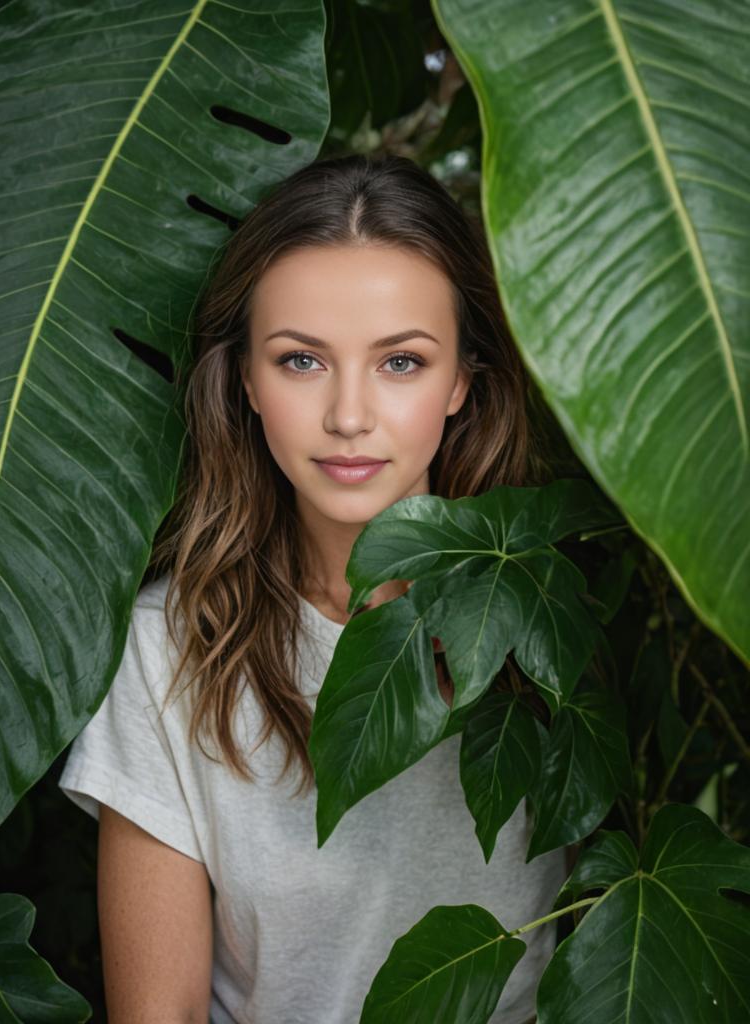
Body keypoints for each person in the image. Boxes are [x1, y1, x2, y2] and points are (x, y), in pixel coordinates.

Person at [58, 153, 566, 1024]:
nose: (349, 415)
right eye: (301, 361)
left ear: (461, 385)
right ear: (247, 381)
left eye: (401, 362)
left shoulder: (555, 619)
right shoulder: (168, 648)